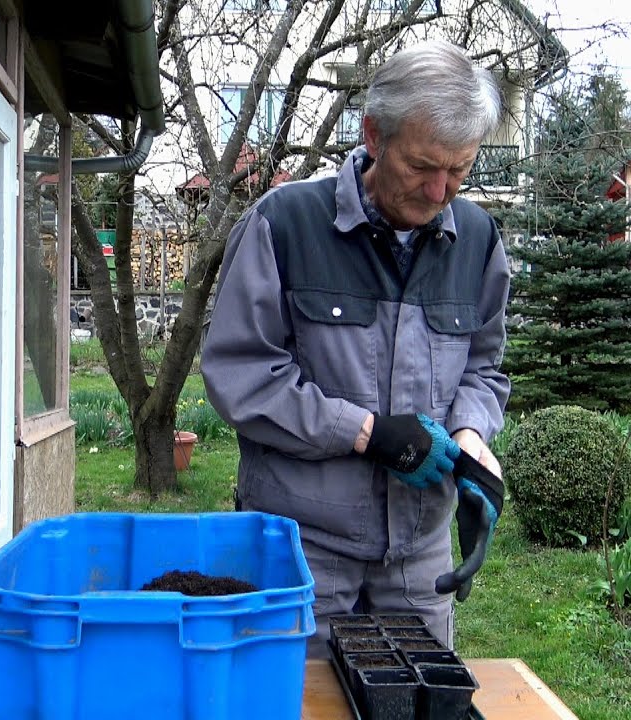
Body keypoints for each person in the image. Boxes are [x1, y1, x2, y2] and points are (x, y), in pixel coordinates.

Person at [200, 38, 511, 658]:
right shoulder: (284, 225)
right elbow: (241, 376)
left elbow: (483, 366)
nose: (439, 190)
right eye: (423, 167)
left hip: (420, 560)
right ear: (374, 136)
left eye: (460, 170)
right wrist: (368, 431)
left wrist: (473, 440)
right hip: (302, 554)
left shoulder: (477, 240)